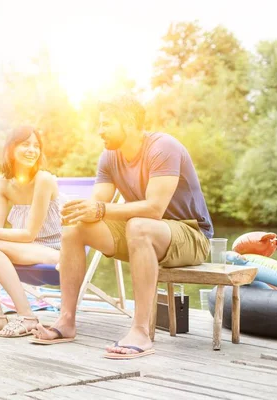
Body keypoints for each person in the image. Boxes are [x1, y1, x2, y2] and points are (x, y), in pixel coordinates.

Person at [32, 96, 213, 357]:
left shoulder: (163, 148)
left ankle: (140, 331)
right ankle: (67, 321)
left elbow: (154, 209)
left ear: (127, 123)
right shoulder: (109, 157)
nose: (100, 130)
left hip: (191, 235)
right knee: (75, 227)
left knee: (140, 225)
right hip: (143, 233)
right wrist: (80, 210)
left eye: (106, 124)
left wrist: (101, 210)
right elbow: (98, 203)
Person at [0, 125, 62, 338]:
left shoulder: (43, 179)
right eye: (25, 144)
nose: (32, 150)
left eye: (36, 146)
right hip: (26, 248)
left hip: (55, 249)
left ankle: (27, 316)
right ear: (11, 148)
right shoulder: (3, 182)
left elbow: (29, 235)